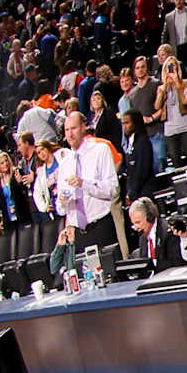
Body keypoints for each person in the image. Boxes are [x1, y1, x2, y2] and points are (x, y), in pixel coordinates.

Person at [54, 110, 122, 262]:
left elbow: (112, 189)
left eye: (74, 129)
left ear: (83, 127)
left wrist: (84, 184)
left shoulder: (100, 150)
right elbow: (59, 208)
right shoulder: (65, 163)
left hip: (100, 226)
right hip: (78, 234)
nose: (70, 134)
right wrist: (62, 201)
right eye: (67, 130)